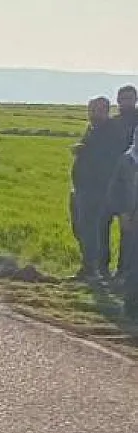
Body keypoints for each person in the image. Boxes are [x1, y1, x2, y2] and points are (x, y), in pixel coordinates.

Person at [70, 96, 125, 280]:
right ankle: (89, 267)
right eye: (91, 110)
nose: (93, 114)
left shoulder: (112, 131)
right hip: (82, 187)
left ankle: (94, 269)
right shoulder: (92, 129)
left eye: (97, 110)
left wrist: (84, 150)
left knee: (94, 230)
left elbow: (108, 159)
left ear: (106, 111)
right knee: (82, 228)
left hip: (98, 188)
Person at [105, 142, 138, 319]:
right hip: (133, 219)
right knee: (132, 263)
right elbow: (115, 190)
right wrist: (123, 213)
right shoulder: (127, 160)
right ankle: (130, 307)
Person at [108, 85, 138, 275]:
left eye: (130, 98)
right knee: (127, 236)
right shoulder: (113, 124)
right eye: (123, 99)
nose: (126, 102)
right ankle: (123, 273)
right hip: (127, 196)